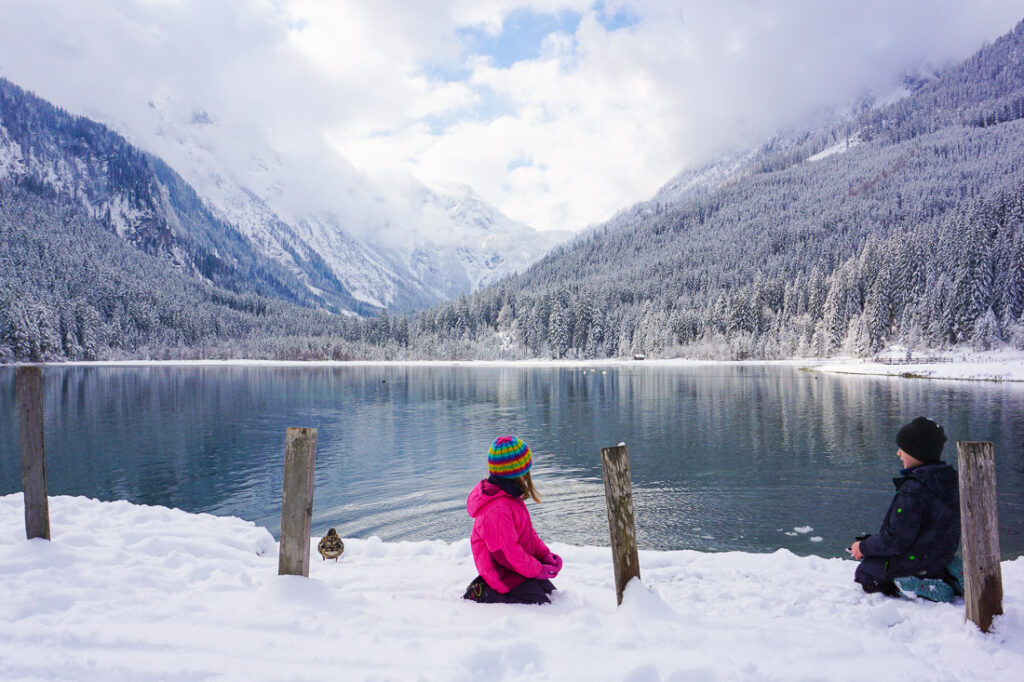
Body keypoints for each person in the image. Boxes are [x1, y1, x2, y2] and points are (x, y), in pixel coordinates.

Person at [849, 416, 960, 597]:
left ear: (918, 453)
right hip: (940, 554)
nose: (898, 453)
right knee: (881, 555)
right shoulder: (948, 480)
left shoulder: (914, 490)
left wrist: (863, 547)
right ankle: (947, 575)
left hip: (917, 560)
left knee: (868, 572)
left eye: (903, 449)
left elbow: (896, 540)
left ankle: (917, 583)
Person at [463, 436, 562, 604]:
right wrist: (537, 569)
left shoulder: (510, 496)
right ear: (517, 471)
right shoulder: (497, 509)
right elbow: (507, 555)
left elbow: (527, 534)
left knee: (551, 593)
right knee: (542, 604)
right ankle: (483, 592)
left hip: (515, 568)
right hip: (502, 574)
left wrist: (544, 555)